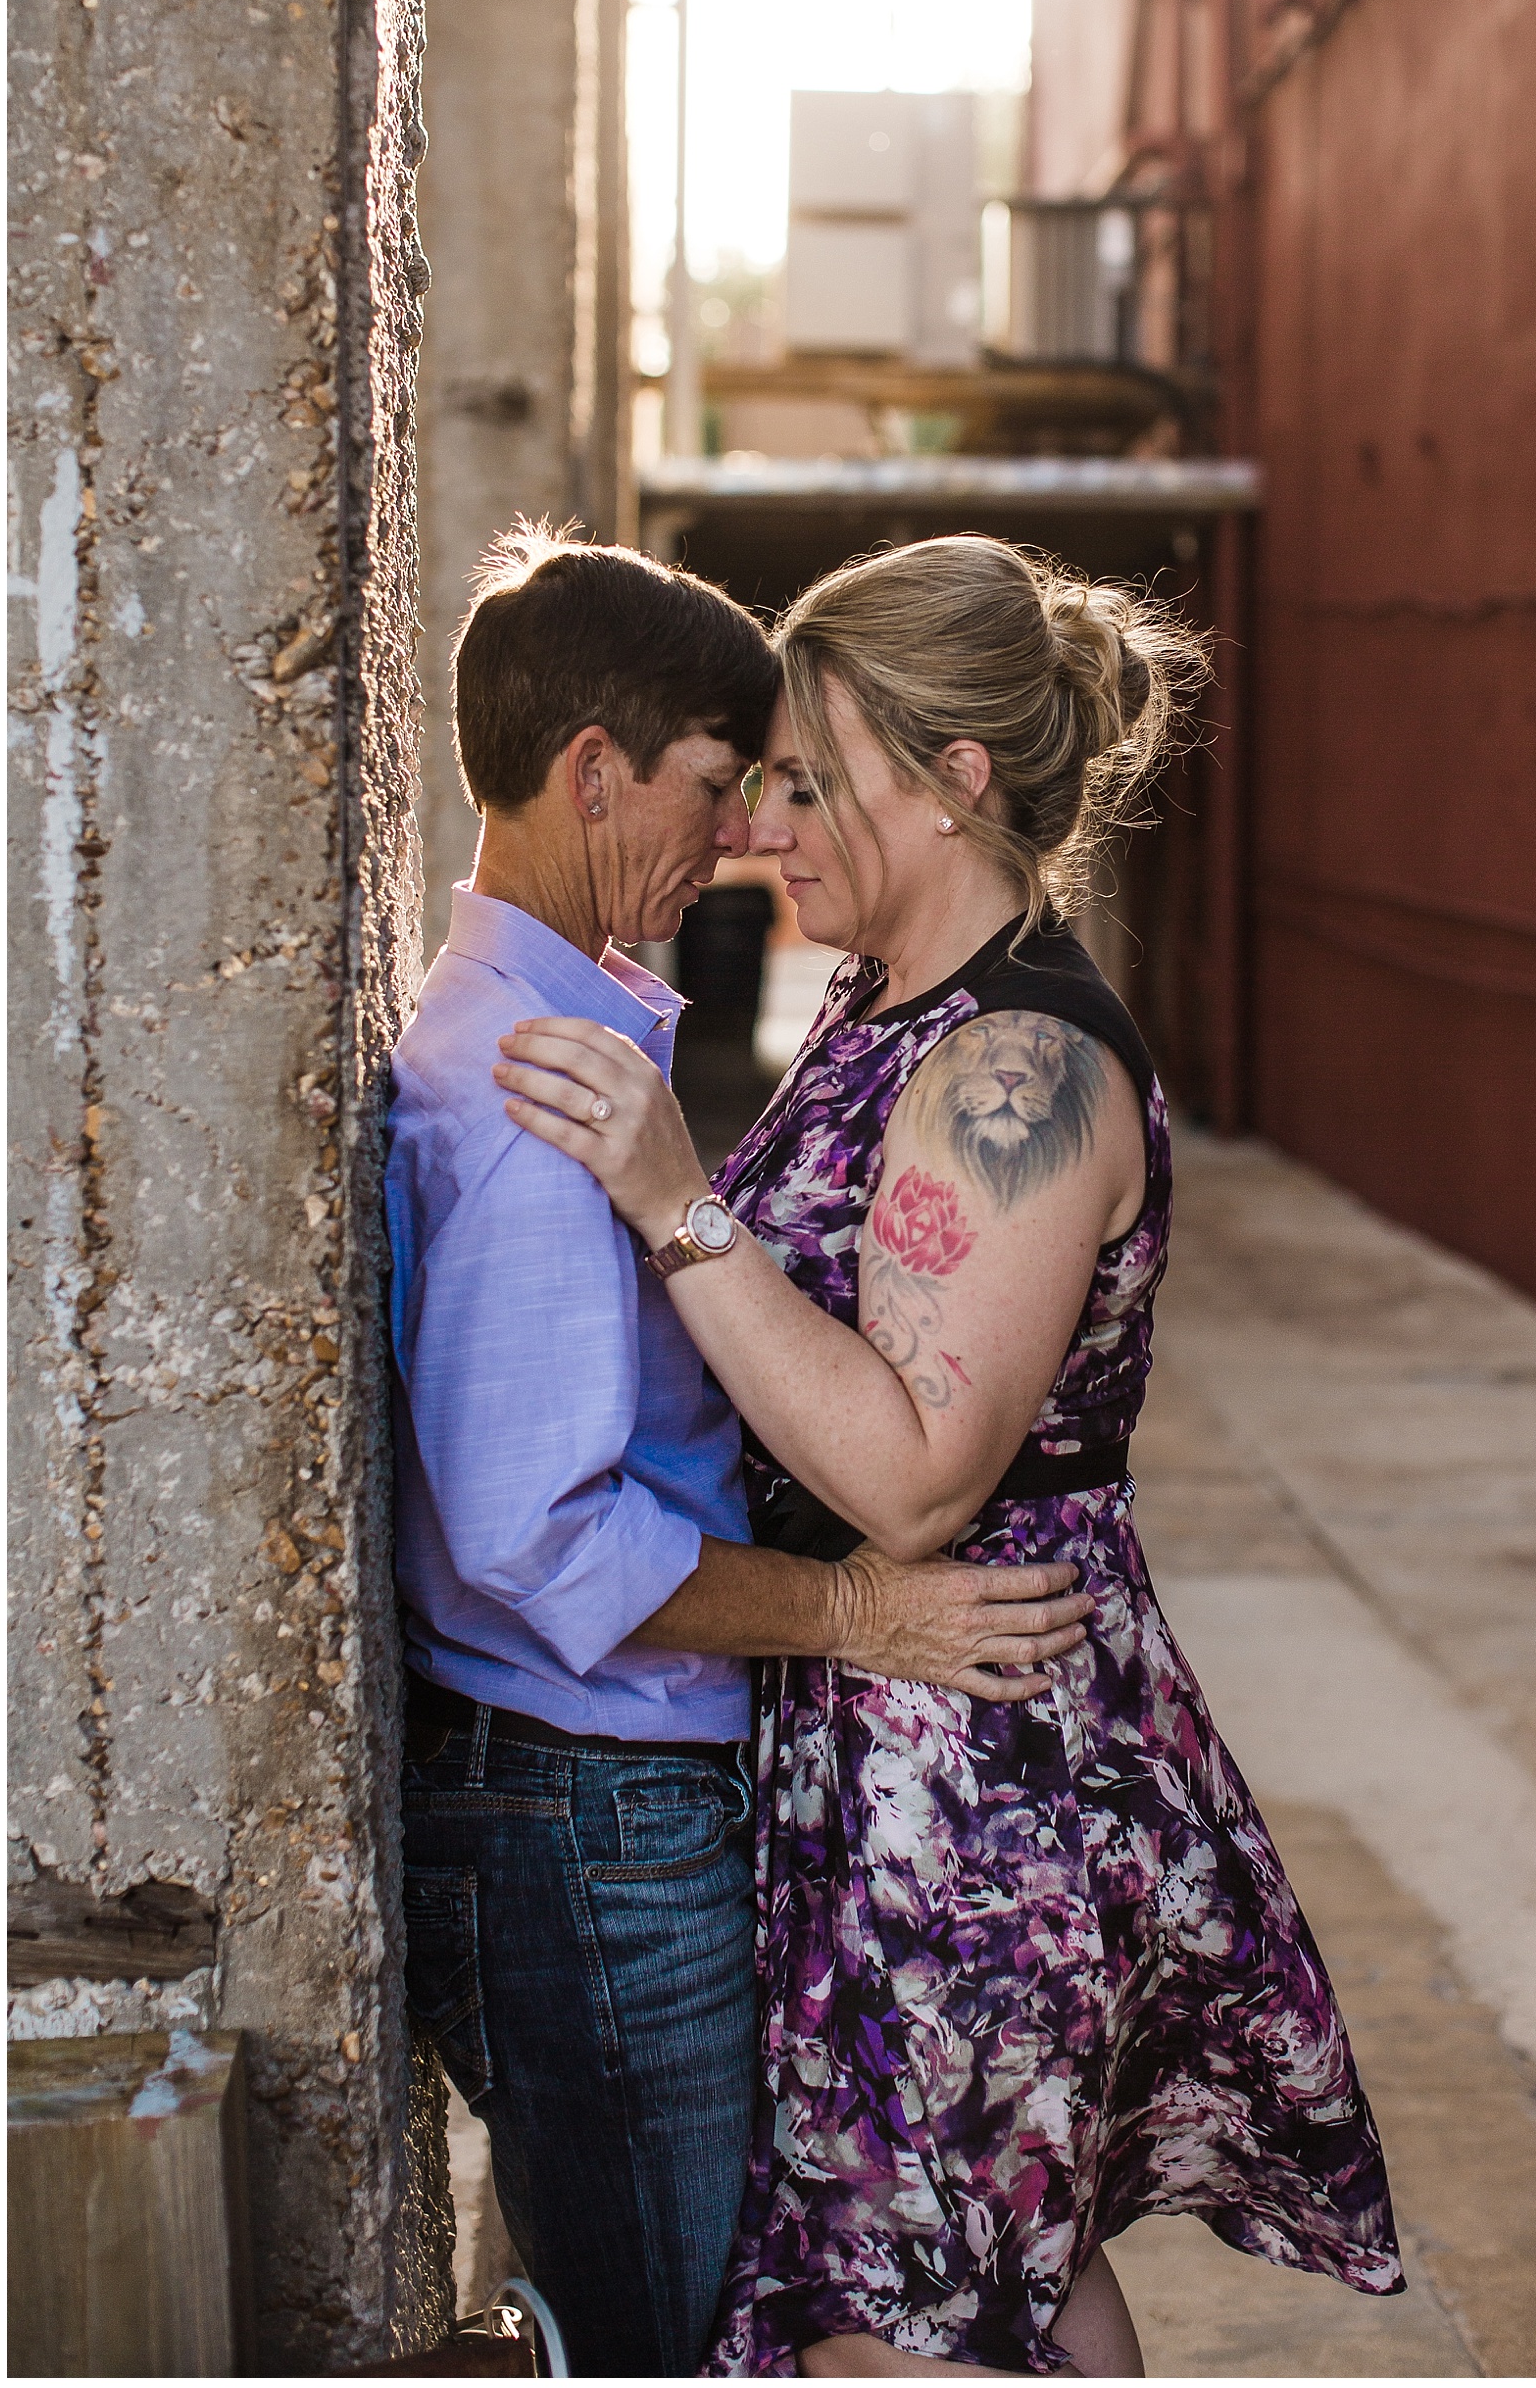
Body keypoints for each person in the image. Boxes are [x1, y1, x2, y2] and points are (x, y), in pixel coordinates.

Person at [495, 533, 1405, 2378]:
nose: (762, 826)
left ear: (958, 778)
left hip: (974, 1780)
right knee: (1010, 2285)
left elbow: (916, 1477)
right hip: (887, 1748)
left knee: (887, 2325)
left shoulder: (1025, 1070)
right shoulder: (883, 1006)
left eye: (814, 780)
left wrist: (680, 1202)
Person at [387, 530, 1095, 2382]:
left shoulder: (566, 1041)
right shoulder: (554, 1083)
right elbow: (540, 1543)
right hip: (596, 1797)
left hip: (680, 1785)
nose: (744, 836)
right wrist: (856, 1610)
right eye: (728, 781)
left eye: (794, 781)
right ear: (595, 771)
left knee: (925, 2278)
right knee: (715, 2332)